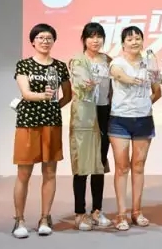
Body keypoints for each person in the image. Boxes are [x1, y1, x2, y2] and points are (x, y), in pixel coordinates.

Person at [11, 23, 72, 239]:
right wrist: (44, 97)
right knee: (24, 173)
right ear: (33, 41)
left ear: (53, 41)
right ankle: (19, 219)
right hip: (28, 122)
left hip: (51, 123)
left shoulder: (60, 66)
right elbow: (26, 93)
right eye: (40, 38)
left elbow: (68, 95)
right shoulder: (24, 65)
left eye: (49, 38)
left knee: (50, 172)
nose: (45, 41)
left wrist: (53, 107)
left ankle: (45, 218)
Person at [108, 26, 162, 231]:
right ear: (123, 44)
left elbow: (157, 91)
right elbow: (118, 75)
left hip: (143, 120)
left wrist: (144, 105)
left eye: (137, 38)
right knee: (122, 167)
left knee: (138, 166)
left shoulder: (150, 63)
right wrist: (133, 80)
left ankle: (137, 211)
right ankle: (121, 214)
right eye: (129, 39)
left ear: (142, 41)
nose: (134, 42)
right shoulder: (117, 62)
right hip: (120, 120)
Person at [68, 22, 113, 230]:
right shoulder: (77, 60)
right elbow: (79, 83)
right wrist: (86, 84)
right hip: (84, 116)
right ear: (84, 39)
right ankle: (80, 212)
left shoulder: (108, 60)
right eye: (91, 36)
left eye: (99, 36)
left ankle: (97, 210)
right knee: (82, 165)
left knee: (99, 164)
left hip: (104, 113)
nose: (95, 40)